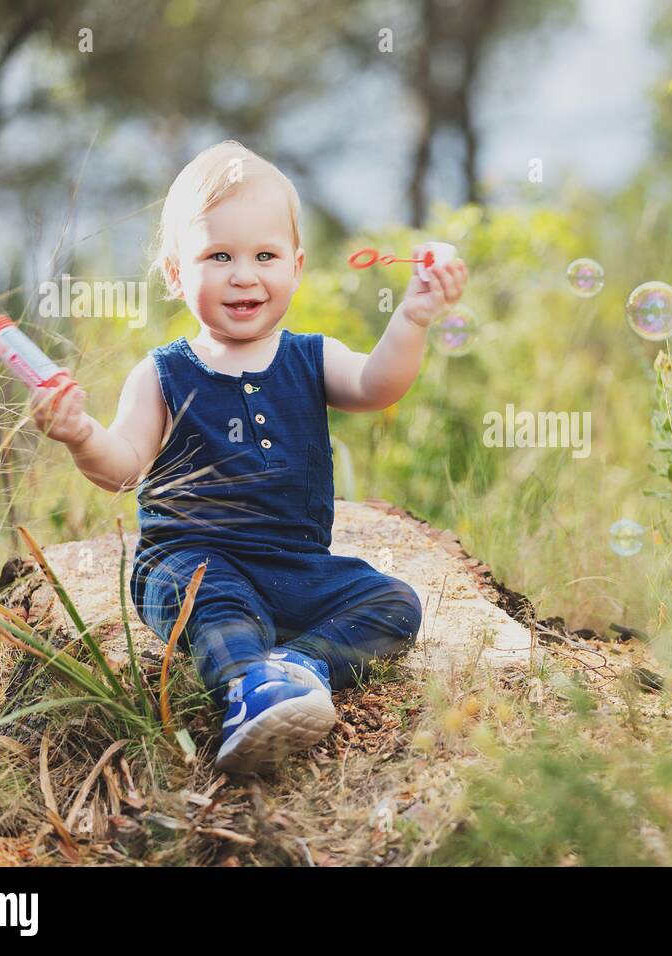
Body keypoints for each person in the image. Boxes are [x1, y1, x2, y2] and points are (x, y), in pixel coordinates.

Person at [30, 140, 469, 772]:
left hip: (294, 567)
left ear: (296, 266)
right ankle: (247, 689)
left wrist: (414, 316)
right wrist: (79, 435)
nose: (244, 274)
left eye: (264, 255)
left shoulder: (311, 357)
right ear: (177, 272)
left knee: (394, 602)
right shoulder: (163, 374)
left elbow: (378, 385)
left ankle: (300, 666)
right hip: (189, 563)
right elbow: (121, 467)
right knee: (215, 600)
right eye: (218, 256)